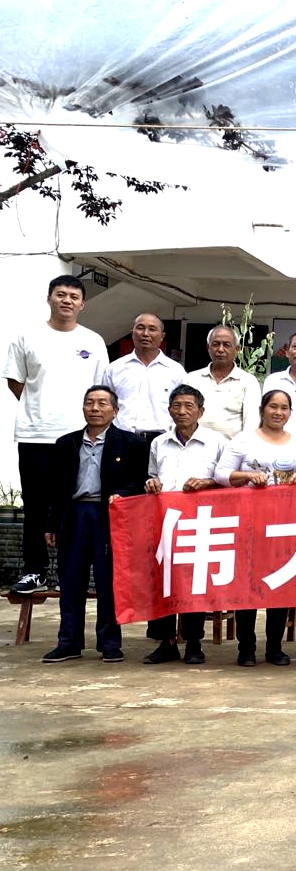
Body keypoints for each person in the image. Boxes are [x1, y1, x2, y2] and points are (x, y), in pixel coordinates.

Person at [5, 274, 110, 596]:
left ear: (82, 304)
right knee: (35, 506)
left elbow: (100, 388)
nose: (67, 301)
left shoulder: (93, 341)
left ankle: (69, 571)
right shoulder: (27, 336)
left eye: (74, 297)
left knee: (72, 506)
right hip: (35, 434)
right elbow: (16, 381)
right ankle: (34, 571)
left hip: (78, 437)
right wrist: (39, 409)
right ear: (49, 298)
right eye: (61, 294)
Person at [39, 385, 148, 664]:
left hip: (108, 515)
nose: (95, 408)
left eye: (102, 403)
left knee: (108, 581)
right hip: (74, 515)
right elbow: (56, 488)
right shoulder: (66, 443)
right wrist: (52, 524)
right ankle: (69, 642)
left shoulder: (131, 444)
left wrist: (122, 494)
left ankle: (109, 643)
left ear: (115, 411)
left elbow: (139, 482)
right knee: (70, 581)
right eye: (89, 403)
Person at [214, 389, 296, 667]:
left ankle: (274, 647)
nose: (278, 412)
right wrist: (248, 476)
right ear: (262, 409)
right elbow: (220, 474)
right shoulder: (243, 440)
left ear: (290, 412)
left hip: (287, 522)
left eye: (284, 408)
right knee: (248, 585)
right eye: (273, 406)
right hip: (249, 522)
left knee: (280, 584)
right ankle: (246, 647)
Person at [143, 384, 226, 666]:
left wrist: (207, 482)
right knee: (164, 581)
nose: (182, 411)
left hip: (200, 521)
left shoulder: (217, 442)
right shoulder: (158, 443)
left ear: (200, 411)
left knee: (193, 582)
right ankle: (166, 642)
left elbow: (226, 480)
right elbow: (152, 475)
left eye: (189, 406)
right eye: (176, 406)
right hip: (165, 521)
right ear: (169, 410)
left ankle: (193, 643)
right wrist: (151, 483)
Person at [102, 312, 186, 443]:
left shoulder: (175, 371)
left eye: (152, 329)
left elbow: (183, 407)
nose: (145, 334)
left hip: (163, 441)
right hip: (122, 440)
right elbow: (104, 404)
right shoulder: (115, 368)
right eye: (140, 328)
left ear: (162, 336)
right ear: (132, 333)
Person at [188, 324, 260, 442]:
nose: (220, 349)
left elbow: (252, 425)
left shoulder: (248, 381)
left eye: (227, 345)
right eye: (215, 344)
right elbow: (182, 416)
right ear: (208, 347)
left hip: (231, 449)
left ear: (237, 349)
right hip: (195, 446)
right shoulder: (192, 379)